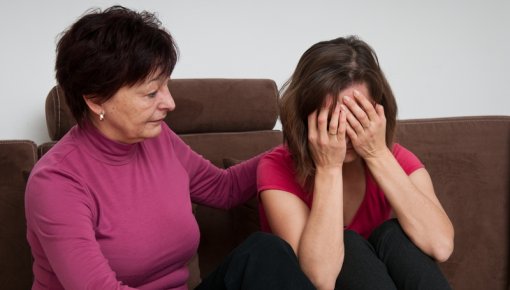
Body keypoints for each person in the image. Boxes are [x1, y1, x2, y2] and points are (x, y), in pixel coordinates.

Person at [25, 6, 315, 290]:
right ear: (95, 100)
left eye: (166, 86)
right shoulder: (57, 182)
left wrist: (302, 146)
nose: (169, 103)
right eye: (151, 93)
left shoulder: (156, 137)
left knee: (263, 252)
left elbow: (223, 188)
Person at [257, 36, 455, 290]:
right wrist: (329, 168)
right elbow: (319, 277)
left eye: (358, 116)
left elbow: (440, 245)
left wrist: (377, 155)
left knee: (393, 235)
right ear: (306, 117)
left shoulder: (393, 158)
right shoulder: (276, 167)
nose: (346, 131)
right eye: (332, 118)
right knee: (347, 244)